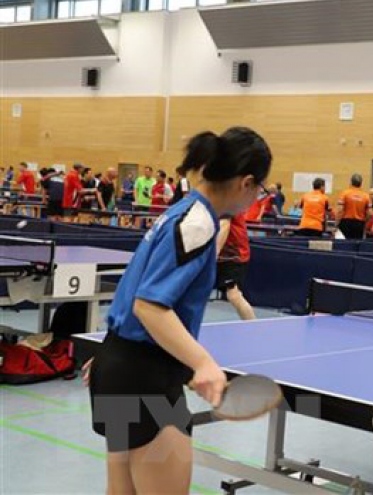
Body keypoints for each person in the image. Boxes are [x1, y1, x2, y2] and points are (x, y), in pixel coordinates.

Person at [82, 126, 272, 494]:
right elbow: (150, 305)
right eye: (260, 189)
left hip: (124, 366)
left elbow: (134, 287)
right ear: (246, 183)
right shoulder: (199, 225)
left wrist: (114, 351)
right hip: (145, 379)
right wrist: (203, 362)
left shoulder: (180, 213)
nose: (257, 198)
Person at [216, 211, 256, 321]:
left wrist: (214, 254)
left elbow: (224, 226)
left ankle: (254, 328)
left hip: (234, 256)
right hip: (222, 255)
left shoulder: (226, 201)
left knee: (233, 295)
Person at [336, 173, 370, 239]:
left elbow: (340, 210)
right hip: (359, 224)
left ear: (351, 182)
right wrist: (364, 221)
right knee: (356, 244)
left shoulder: (345, 193)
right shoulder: (366, 196)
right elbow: (370, 213)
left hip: (346, 222)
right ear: (361, 183)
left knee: (344, 244)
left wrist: (336, 223)